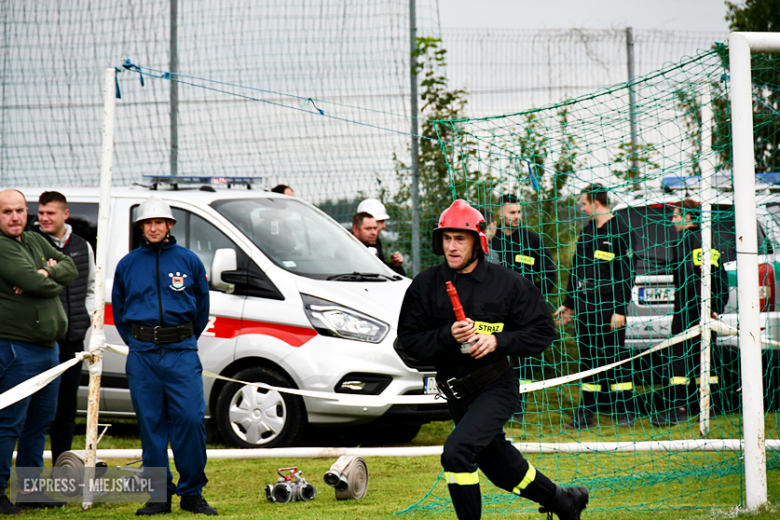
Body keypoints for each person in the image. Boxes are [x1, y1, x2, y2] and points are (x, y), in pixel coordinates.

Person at [398, 199, 588, 520]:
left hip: (496, 388)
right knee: (502, 469)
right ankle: (565, 502)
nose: (452, 247)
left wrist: (498, 341)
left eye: (460, 238)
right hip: (456, 393)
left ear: (479, 241)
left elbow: (543, 332)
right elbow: (409, 344)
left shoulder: (508, 283)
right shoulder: (425, 285)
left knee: (457, 452)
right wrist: (447, 335)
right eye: (446, 238)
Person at [111, 195, 216, 516]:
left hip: (181, 351)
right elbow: (119, 309)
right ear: (140, 227)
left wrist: (179, 339)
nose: (153, 228)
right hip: (142, 353)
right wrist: (141, 341)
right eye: (147, 223)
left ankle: (192, 493)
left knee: (190, 419)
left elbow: (201, 310)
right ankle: (158, 495)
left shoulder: (189, 261)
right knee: (150, 425)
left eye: (159, 222)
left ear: (170, 225)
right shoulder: (127, 264)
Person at [0, 189, 77, 513]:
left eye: (19, 210)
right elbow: (33, 282)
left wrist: (46, 271)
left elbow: (69, 266)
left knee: (39, 423)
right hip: (18, 350)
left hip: (49, 350)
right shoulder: (2, 247)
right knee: (9, 423)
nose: (15, 217)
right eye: (6, 212)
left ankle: (30, 491)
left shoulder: (33, 239)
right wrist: (44, 275)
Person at [554, 184, 636, 429]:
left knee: (614, 358)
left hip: (610, 305)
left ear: (596, 202)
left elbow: (626, 275)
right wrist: (569, 305)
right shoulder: (587, 232)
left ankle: (625, 412)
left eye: (584, 202)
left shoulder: (620, 229)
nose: (581, 206)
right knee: (587, 360)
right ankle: (585, 415)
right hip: (586, 305)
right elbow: (575, 271)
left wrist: (620, 310)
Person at [651, 199, 728, 426]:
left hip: (688, 310)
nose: (672, 220)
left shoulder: (686, 242)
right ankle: (708, 407)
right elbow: (721, 281)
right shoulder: (709, 242)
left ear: (688, 217)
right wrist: (715, 307)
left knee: (679, 359)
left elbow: (689, 281)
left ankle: (678, 410)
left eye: (676, 215)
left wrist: (693, 309)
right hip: (706, 311)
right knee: (704, 358)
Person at [34, 192, 96, 466]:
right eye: (41, 213)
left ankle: (63, 470)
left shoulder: (83, 246)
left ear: (65, 214)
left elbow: (92, 289)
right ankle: (27, 477)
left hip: (73, 342)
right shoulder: (30, 244)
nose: (44, 218)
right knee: (35, 411)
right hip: (40, 341)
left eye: (50, 213)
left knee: (66, 410)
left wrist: (90, 331)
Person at [488, 193, 556, 420]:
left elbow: (549, 274)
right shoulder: (491, 240)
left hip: (521, 313)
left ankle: (519, 406)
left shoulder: (531, 239)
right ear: (500, 213)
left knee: (522, 359)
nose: (517, 217)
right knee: (494, 355)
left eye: (519, 212)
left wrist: (534, 298)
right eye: (512, 213)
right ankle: (493, 403)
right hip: (494, 312)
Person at [357, 198, 405, 275]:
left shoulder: (375, 243)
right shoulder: (350, 248)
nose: (384, 226)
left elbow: (382, 270)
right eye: (381, 222)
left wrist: (395, 266)